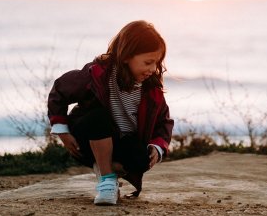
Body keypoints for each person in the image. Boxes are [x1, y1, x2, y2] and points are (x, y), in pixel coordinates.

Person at [47, 20, 174, 205]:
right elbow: (60, 90)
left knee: (142, 159)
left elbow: (164, 121)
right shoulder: (97, 74)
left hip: (120, 142)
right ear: (126, 56)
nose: (153, 69)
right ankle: (107, 180)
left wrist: (157, 146)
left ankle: (107, 166)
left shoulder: (151, 90)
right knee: (99, 117)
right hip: (88, 137)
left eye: (157, 62)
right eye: (148, 62)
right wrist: (63, 132)